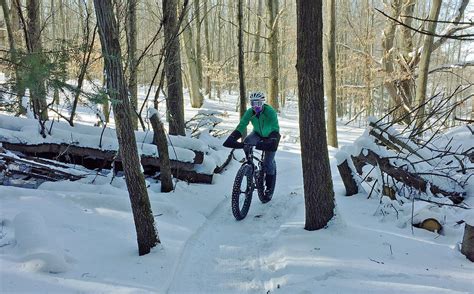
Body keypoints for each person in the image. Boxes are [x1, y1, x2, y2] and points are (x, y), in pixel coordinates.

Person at [223, 91, 281, 198]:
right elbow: (242, 125)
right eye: (253, 103)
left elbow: (275, 127)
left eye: (258, 103)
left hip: (271, 136)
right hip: (257, 134)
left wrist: (272, 140)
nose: (256, 106)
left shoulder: (270, 112)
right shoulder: (250, 112)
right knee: (247, 142)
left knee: (268, 163)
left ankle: (269, 188)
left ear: (263, 103)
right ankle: (250, 164)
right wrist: (232, 137)